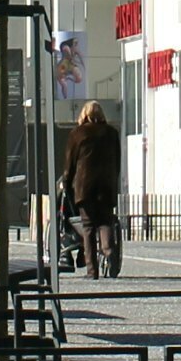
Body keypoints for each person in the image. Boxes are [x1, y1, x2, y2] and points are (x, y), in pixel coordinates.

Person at [61, 100, 123, 279]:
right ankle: (109, 252)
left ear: (84, 114)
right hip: (106, 185)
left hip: (85, 186)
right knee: (105, 222)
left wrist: (66, 182)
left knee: (88, 227)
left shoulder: (78, 134)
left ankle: (92, 270)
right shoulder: (112, 133)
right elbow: (117, 161)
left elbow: (70, 163)